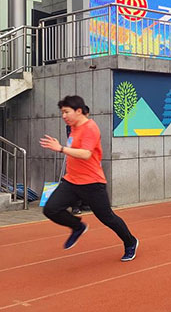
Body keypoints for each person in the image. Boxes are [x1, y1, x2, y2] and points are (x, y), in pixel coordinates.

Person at [39, 95, 139, 261]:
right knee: (51, 209)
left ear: (78, 111)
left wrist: (61, 148)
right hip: (71, 181)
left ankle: (130, 242)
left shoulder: (90, 128)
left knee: (107, 218)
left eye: (66, 112)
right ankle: (77, 226)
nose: (63, 116)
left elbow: (86, 154)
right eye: (62, 112)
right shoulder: (73, 127)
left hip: (92, 183)